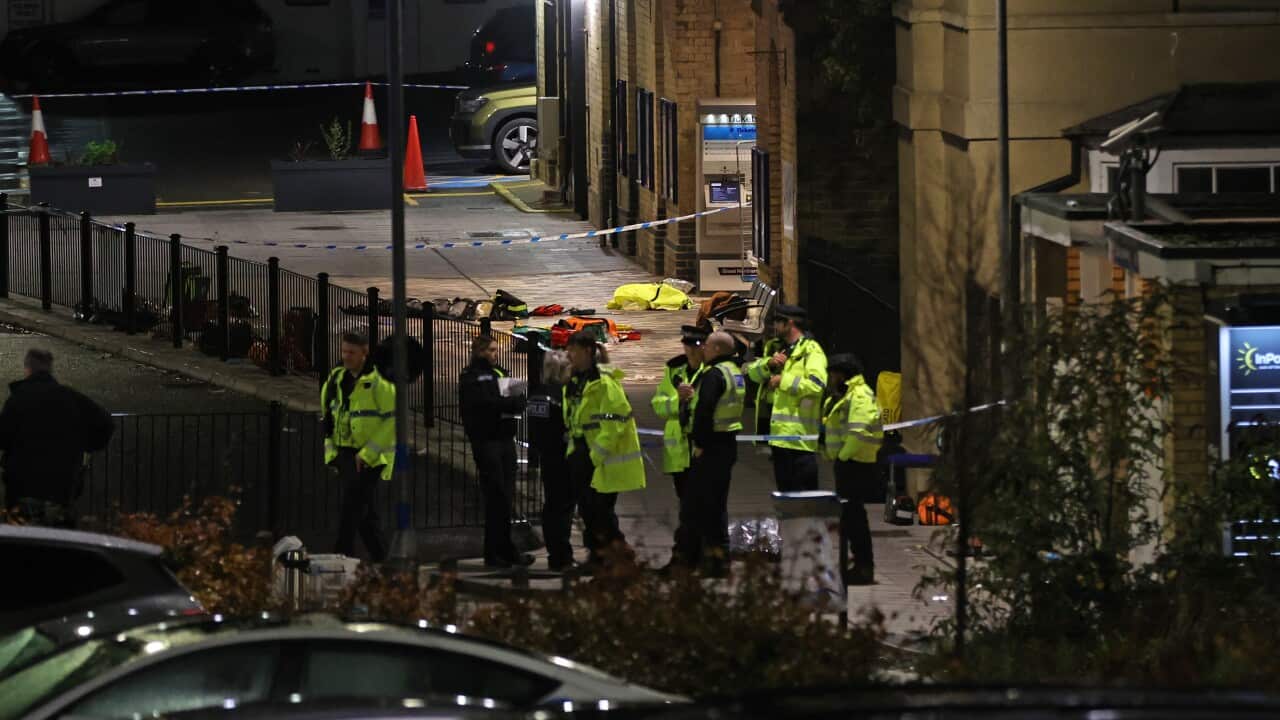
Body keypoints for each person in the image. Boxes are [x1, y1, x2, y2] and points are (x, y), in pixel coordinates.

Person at [0, 348, 113, 527]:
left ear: (27, 368)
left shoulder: (17, 400)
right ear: (49, 368)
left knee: (23, 545)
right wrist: (85, 444)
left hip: (23, 487)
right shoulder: (71, 398)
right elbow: (106, 423)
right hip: (61, 488)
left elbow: (3, 437)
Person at [563, 330, 645, 570]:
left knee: (599, 511)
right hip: (581, 452)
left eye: (573, 350)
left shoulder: (604, 383)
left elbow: (615, 422)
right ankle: (603, 556)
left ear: (587, 351)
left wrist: (594, 455)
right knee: (590, 511)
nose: (569, 355)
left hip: (598, 457)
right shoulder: (576, 381)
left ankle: (612, 556)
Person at [460, 334, 534, 569]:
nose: (495, 353)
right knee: (496, 497)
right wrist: (505, 403)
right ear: (480, 351)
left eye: (496, 349)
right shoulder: (471, 377)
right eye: (491, 350)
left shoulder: (500, 372)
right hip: (486, 441)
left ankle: (505, 550)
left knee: (506, 497)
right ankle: (495, 553)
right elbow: (485, 405)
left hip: (505, 439)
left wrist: (506, 403)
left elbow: (519, 399)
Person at [322, 332, 396, 562]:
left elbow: (392, 420)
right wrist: (332, 453)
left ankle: (341, 556)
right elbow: (329, 416)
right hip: (345, 453)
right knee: (364, 513)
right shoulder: (336, 378)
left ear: (364, 354)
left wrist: (368, 453)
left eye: (351, 352)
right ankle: (384, 562)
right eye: (344, 351)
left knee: (352, 506)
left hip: (370, 456)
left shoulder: (379, 383)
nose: (346, 356)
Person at [821, 353, 883, 585]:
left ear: (843, 375)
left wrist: (843, 455)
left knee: (855, 518)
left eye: (833, 373)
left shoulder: (860, 396)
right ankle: (855, 563)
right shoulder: (844, 395)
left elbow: (859, 431)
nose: (830, 378)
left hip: (856, 464)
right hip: (847, 463)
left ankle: (864, 566)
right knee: (849, 517)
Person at [753, 304, 828, 492]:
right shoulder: (776, 348)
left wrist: (783, 380)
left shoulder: (811, 351)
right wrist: (768, 364)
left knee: (804, 496)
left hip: (800, 438)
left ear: (790, 323)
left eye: (778, 322)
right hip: (778, 438)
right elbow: (753, 375)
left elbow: (816, 386)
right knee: (785, 497)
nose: (775, 327)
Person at [688, 331, 745, 577]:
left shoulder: (714, 374)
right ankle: (720, 559)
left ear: (718, 350)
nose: (703, 349)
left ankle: (714, 562)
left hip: (711, 445)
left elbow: (704, 410)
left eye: (707, 345)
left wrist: (699, 443)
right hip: (727, 442)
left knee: (708, 507)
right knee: (718, 505)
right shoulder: (735, 372)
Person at [652, 325, 707, 571]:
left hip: (702, 450)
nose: (690, 351)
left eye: (695, 346)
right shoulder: (674, 370)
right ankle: (690, 557)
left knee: (698, 508)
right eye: (687, 346)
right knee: (686, 506)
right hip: (678, 454)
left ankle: (689, 558)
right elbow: (659, 405)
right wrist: (677, 398)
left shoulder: (713, 371)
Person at [526, 349, 578, 571]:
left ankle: (557, 554)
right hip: (561, 456)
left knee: (555, 506)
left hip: (549, 456)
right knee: (561, 508)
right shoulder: (559, 394)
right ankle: (560, 556)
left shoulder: (538, 393)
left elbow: (535, 430)